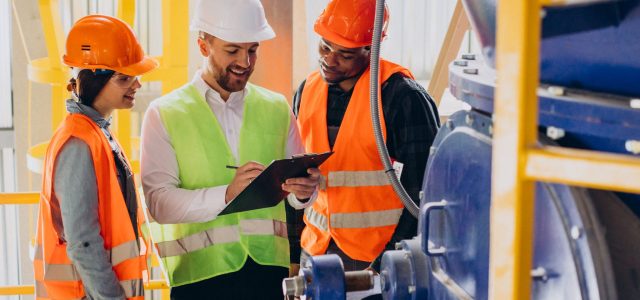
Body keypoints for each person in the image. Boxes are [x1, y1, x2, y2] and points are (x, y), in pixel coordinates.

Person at [140, 0, 319, 298]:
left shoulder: (277, 108)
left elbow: (298, 194)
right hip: (198, 279)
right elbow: (159, 203)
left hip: (267, 276)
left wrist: (305, 191)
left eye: (252, 50)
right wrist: (226, 194)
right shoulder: (164, 114)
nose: (245, 62)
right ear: (203, 46)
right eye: (232, 50)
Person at [294, 0, 440, 274]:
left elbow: (422, 193)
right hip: (315, 253)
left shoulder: (403, 99)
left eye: (345, 54)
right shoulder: (307, 91)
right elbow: (296, 178)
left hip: (375, 261)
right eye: (325, 46)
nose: (329, 59)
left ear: (371, 50)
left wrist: (389, 264)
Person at [34, 15, 157, 300]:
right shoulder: (78, 143)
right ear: (91, 80)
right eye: (124, 78)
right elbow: (83, 242)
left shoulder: (96, 134)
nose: (136, 85)